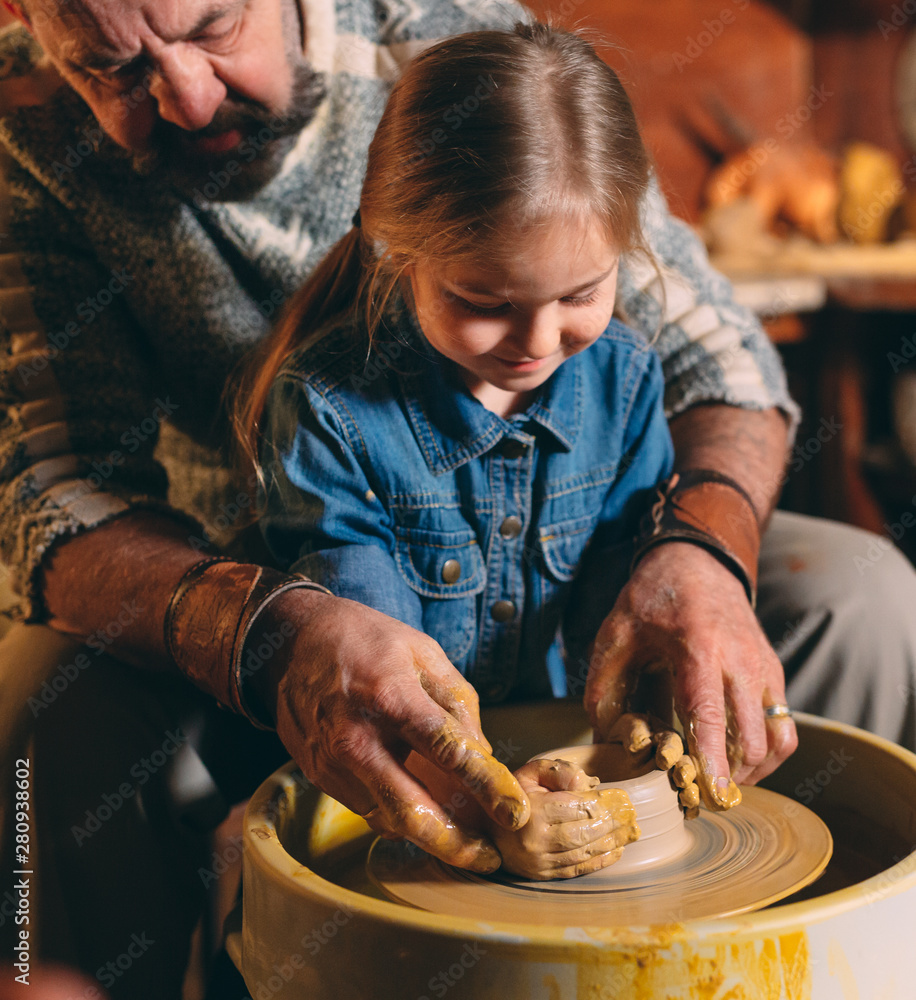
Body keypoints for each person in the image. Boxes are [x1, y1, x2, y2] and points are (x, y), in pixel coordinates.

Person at [0, 0, 914, 992]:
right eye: (112, 68)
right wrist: (293, 651)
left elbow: (710, 386)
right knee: (37, 702)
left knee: (865, 587)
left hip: (552, 637)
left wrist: (688, 574)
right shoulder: (323, 401)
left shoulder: (481, 60)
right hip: (262, 596)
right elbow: (56, 490)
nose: (183, 98)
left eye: (214, 27)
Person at [247, 22, 699, 879]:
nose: (536, 340)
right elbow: (374, 684)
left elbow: (623, 606)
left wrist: (643, 726)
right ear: (397, 252)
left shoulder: (625, 381)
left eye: (581, 293)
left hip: (546, 737)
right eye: (482, 298)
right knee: (263, 869)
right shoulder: (330, 406)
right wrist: (486, 799)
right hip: (366, 766)